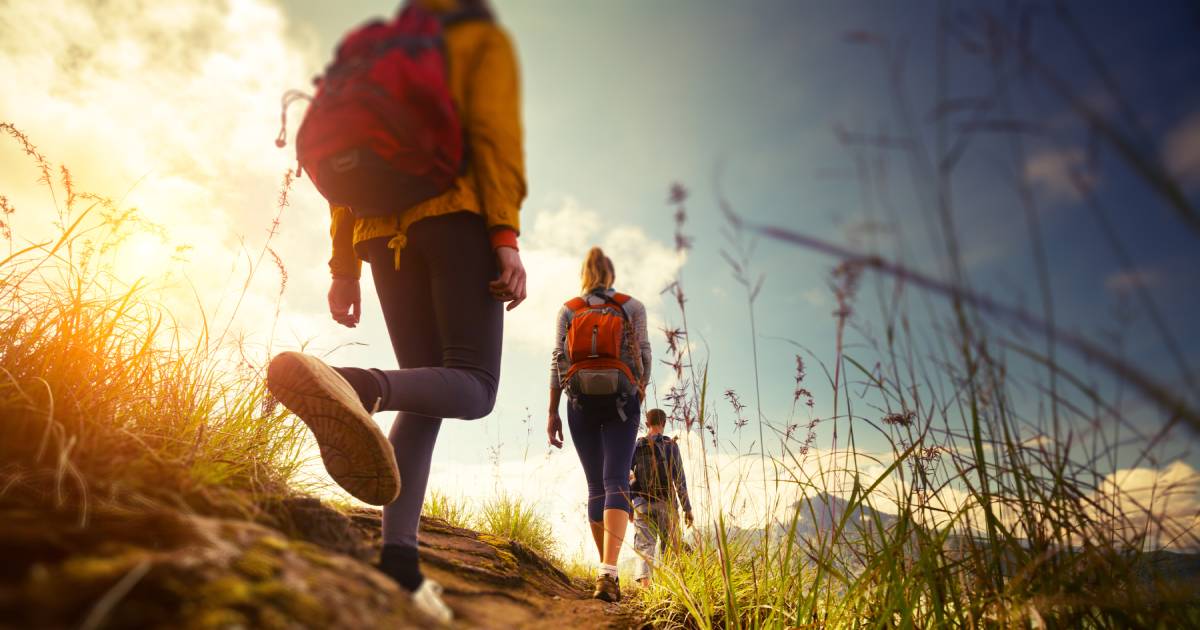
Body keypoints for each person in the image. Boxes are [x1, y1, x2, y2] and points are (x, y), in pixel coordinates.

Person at [265, 0, 525, 623]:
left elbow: (348, 172)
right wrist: (506, 238)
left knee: (427, 392)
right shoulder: (475, 38)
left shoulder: (374, 46)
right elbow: (493, 135)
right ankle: (357, 387)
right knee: (475, 385)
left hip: (379, 236)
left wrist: (344, 267)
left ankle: (400, 565)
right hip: (455, 219)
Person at [547, 247, 651, 603]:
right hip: (623, 400)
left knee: (596, 486)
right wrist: (638, 393)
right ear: (611, 274)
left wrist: (553, 411)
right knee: (616, 481)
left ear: (584, 274)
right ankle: (608, 570)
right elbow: (645, 354)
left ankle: (605, 571)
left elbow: (556, 361)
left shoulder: (569, 309)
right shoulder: (631, 306)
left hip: (579, 403)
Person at [629, 408, 693, 587]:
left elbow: (627, 476)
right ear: (664, 424)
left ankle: (646, 589)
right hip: (667, 503)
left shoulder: (636, 445)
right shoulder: (670, 445)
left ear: (647, 423)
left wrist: (628, 507)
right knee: (670, 547)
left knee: (644, 546)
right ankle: (670, 589)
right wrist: (687, 508)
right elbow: (679, 478)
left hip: (641, 504)